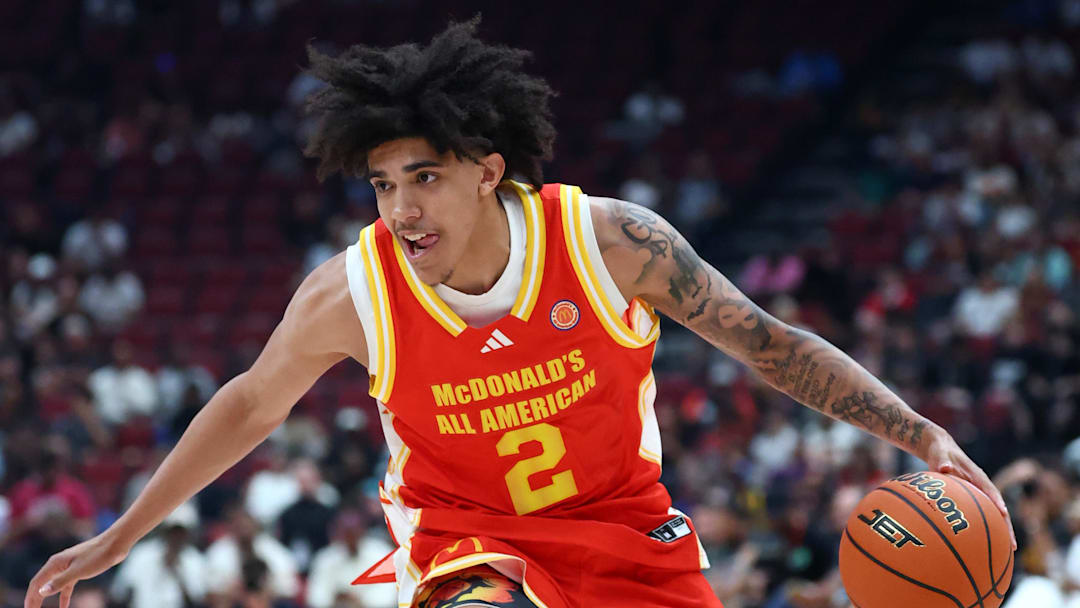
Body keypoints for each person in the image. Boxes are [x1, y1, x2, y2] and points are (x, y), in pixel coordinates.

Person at [26, 16, 1017, 608]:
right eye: (381, 184)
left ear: (488, 170)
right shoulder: (355, 290)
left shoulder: (610, 243)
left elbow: (772, 345)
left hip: (629, 533)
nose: (402, 207)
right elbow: (250, 404)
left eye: (425, 176)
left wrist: (920, 430)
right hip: (469, 545)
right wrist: (122, 533)